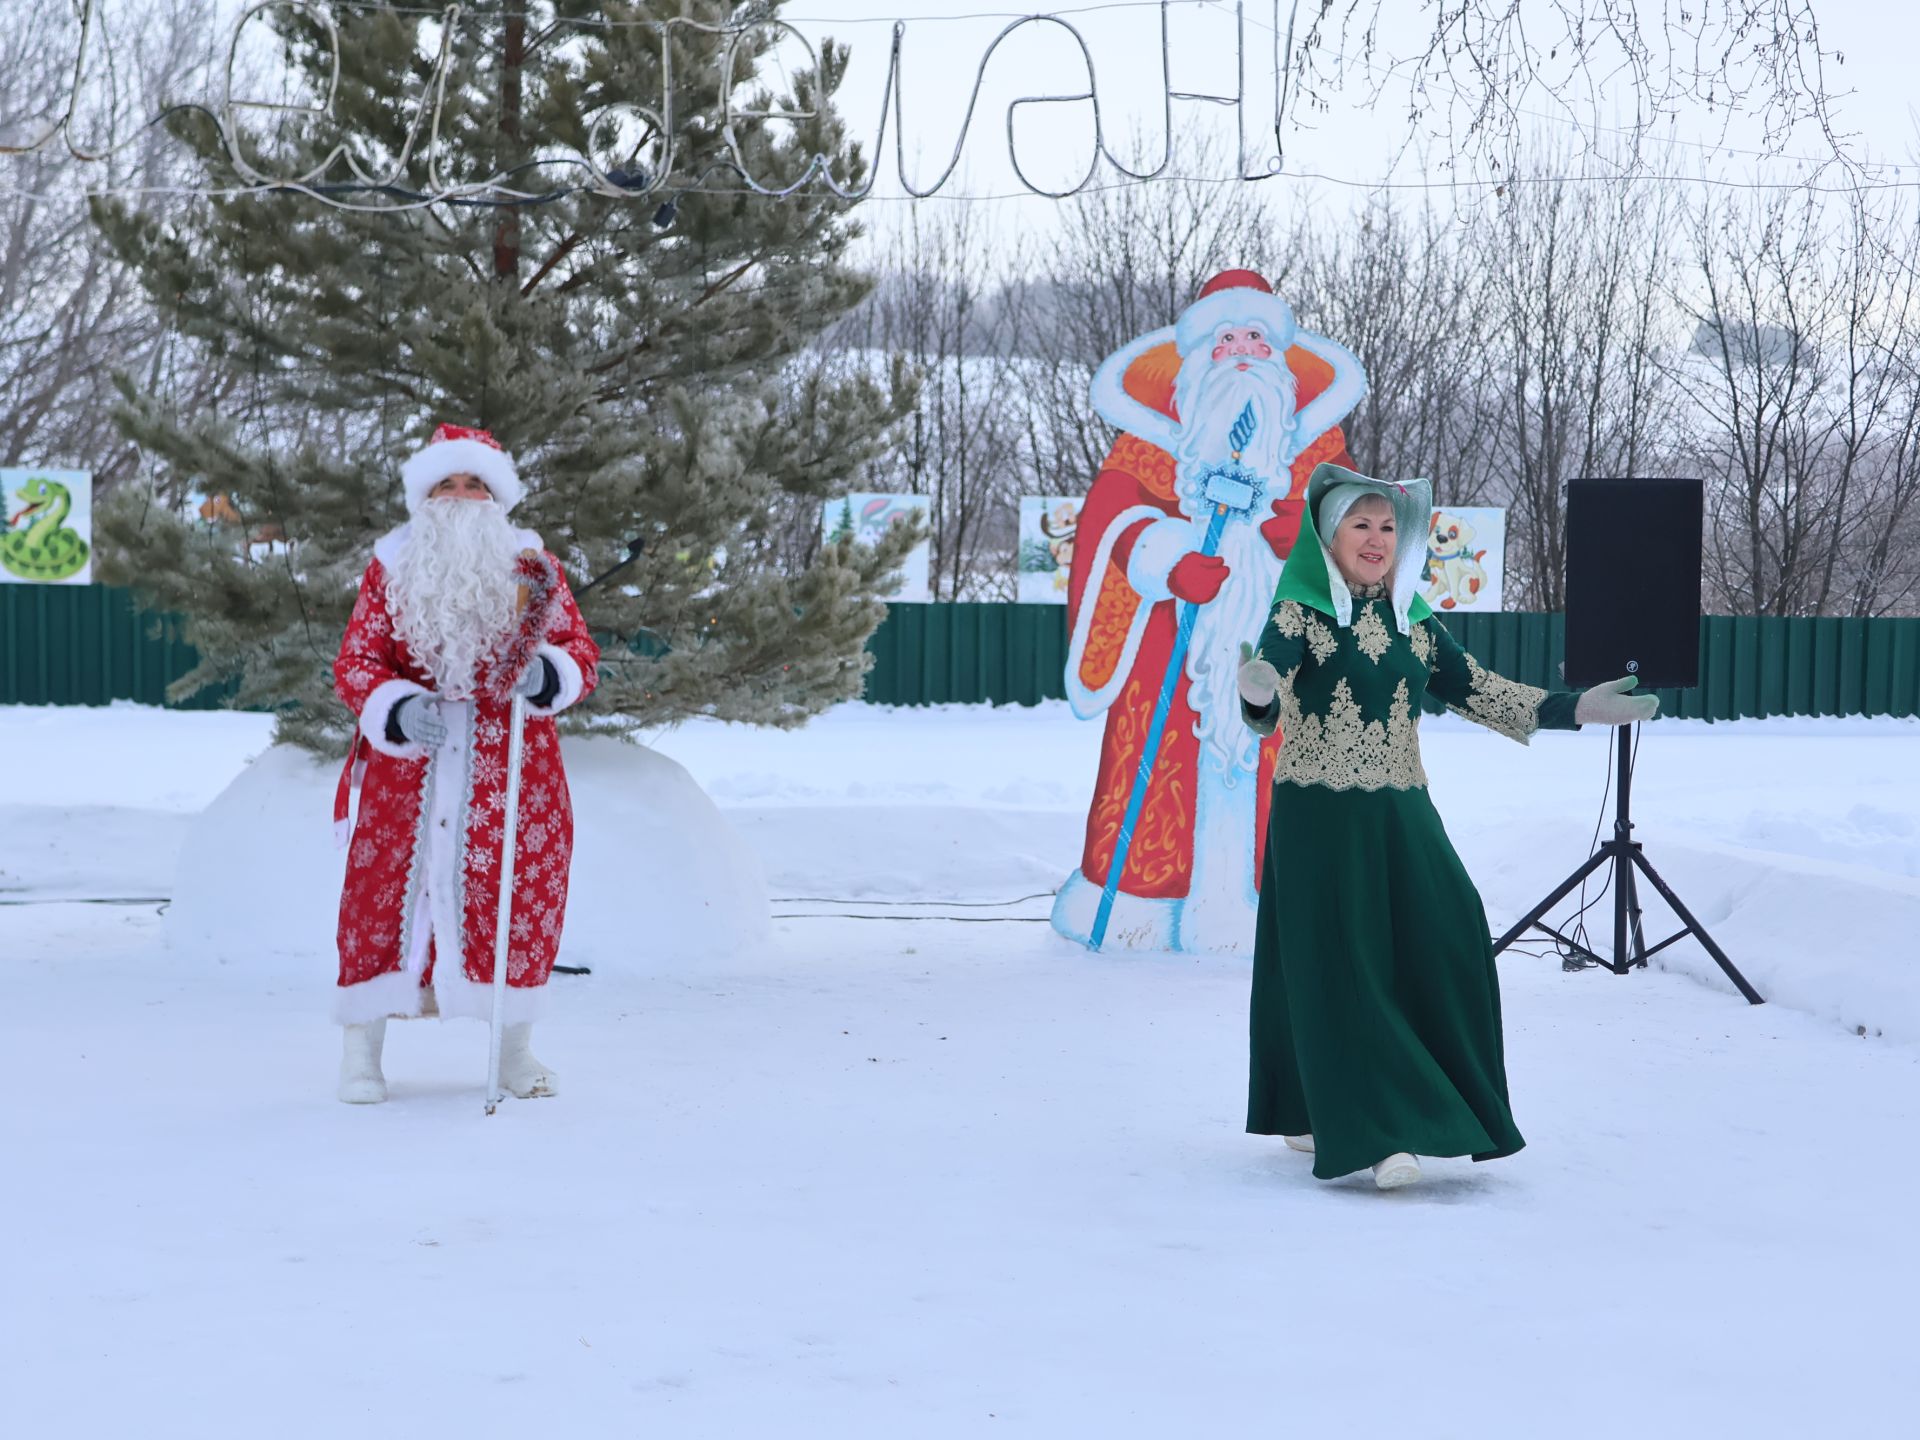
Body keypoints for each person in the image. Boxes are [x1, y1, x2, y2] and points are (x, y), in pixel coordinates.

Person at [1236, 463, 1655, 1188]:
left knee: (1451, 927)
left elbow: (1479, 691)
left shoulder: (1414, 619)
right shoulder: (1299, 614)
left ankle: (1318, 1102)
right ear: (1328, 538)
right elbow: (1268, 685)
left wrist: (1576, 709)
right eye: (1359, 525)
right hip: (1320, 818)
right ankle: (1381, 1132)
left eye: (1388, 526)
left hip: (1401, 808)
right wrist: (1258, 694)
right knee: (1349, 964)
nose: (1376, 538)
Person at [1053, 269, 1367, 952]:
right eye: (1227, 339)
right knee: (1162, 765)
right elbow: (1110, 517)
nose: (1245, 349)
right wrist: (1166, 558)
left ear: (1281, 358)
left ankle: (1285, 907)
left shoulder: (1315, 447)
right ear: (1197, 359)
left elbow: (1352, 528)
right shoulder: (1149, 445)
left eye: (1258, 337)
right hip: (1170, 650)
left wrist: (1300, 538)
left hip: (1284, 649)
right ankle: (1143, 907)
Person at [329, 424, 600, 1104]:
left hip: (512, 766)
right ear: (423, 494)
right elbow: (357, 660)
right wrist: (392, 705)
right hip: (408, 766)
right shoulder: (389, 567)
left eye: (474, 483)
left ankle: (514, 1051)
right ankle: (361, 1053)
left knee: (516, 896)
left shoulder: (534, 571)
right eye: (446, 483)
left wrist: (546, 673)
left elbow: (580, 656)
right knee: (380, 900)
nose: (460, 495)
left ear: (496, 495)